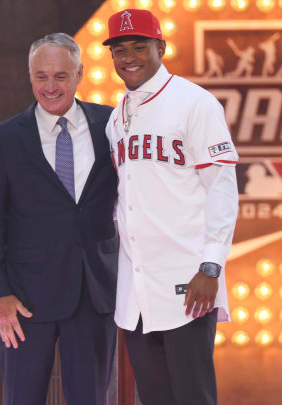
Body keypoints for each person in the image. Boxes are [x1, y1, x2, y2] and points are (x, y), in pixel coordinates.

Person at [103, 9, 239, 405]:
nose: (128, 56)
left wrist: (211, 267)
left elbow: (222, 190)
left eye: (139, 46)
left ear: (160, 46)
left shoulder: (194, 103)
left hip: (188, 284)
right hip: (137, 289)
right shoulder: (116, 119)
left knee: (193, 396)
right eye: (119, 49)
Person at [0, 32, 118, 405]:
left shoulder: (113, 126)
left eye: (61, 76)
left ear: (80, 74)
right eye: (41, 76)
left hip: (94, 293)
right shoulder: (4, 138)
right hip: (25, 300)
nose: (51, 86)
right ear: (29, 76)